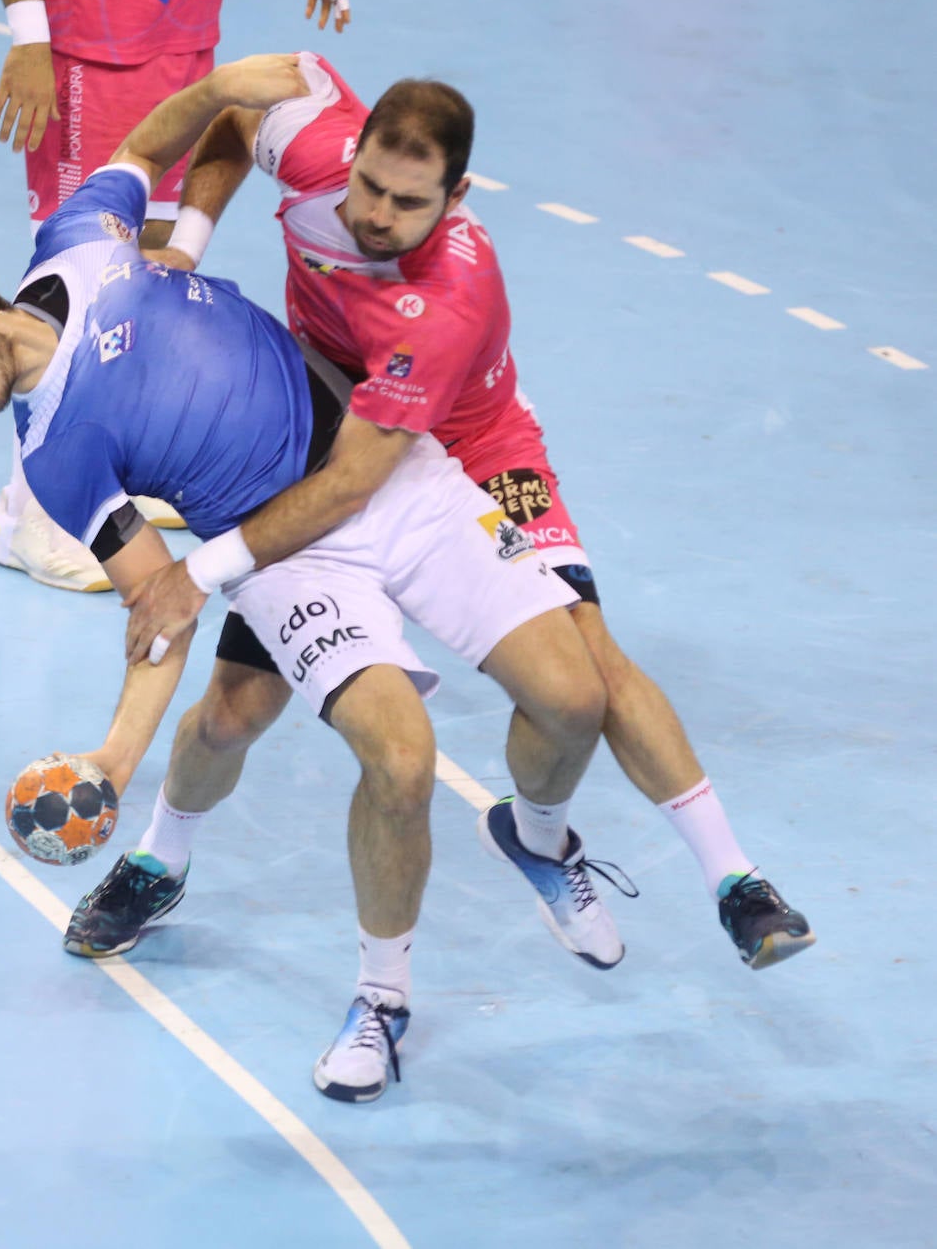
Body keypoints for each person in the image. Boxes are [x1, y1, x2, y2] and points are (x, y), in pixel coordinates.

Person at [0, 56, 620, 1103]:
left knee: (253, 717)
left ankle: (526, 843)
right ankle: (353, 982)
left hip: (366, 455)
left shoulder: (78, 240)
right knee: (354, 751)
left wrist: (220, 90)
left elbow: (145, 147)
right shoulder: (56, 456)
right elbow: (159, 603)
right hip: (275, 541)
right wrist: (115, 761)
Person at [116, 50, 815, 973]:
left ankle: (730, 879)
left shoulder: (445, 297)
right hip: (322, 427)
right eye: (370, 187)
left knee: (588, 674)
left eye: (409, 204)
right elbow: (239, 124)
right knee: (235, 709)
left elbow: (361, 481)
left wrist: (198, 570)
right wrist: (188, 242)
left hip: (470, 449)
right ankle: (159, 859)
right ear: (353, 150)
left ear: (457, 195)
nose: (376, 216)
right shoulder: (314, 142)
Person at [0, 0, 351, 595]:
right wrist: (30, 40)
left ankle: (115, 473)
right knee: (81, 288)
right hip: (92, 51)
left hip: (180, 42)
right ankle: (26, 520)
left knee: (140, 277)